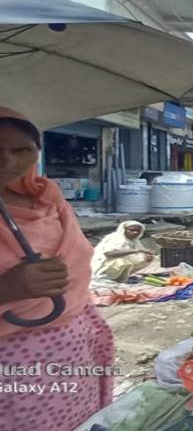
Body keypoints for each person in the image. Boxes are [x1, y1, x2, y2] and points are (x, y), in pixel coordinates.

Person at [0, 107, 115, 429]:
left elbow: (79, 265)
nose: (8, 162)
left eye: (21, 150)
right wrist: (9, 288)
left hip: (76, 351)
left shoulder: (50, 200)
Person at [91, 220, 156, 282]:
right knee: (122, 262)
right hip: (104, 263)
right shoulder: (115, 238)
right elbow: (108, 254)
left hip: (119, 261)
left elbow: (139, 253)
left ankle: (122, 276)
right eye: (132, 230)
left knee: (147, 259)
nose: (135, 232)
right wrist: (135, 251)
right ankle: (108, 277)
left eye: (138, 231)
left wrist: (146, 256)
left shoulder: (135, 241)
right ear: (124, 230)